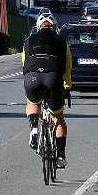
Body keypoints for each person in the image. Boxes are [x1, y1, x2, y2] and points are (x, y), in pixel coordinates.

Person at [22, 14, 73, 168]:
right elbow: (68, 67)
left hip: (32, 78)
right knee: (58, 118)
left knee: (32, 102)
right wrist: (67, 86)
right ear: (54, 27)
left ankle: (34, 129)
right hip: (53, 78)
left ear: (38, 27)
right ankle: (60, 156)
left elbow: (24, 63)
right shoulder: (61, 41)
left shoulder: (29, 41)